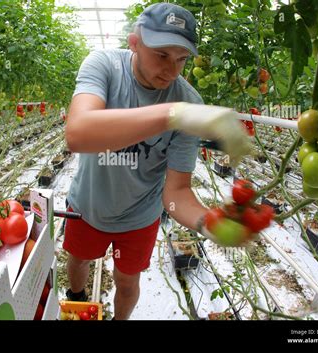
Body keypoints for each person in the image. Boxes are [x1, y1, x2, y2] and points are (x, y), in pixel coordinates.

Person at [63, 2, 251, 320]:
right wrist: (174, 115)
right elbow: (78, 134)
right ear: (134, 42)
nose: (171, 70)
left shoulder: (190, 101)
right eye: (162, 55)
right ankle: (77, 297)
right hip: (87, 206)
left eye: (181, 59)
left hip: (139, 219)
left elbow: (176, 194)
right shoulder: (104, 66)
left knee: (127, 281)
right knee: (79, 260)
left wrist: (209, 223)